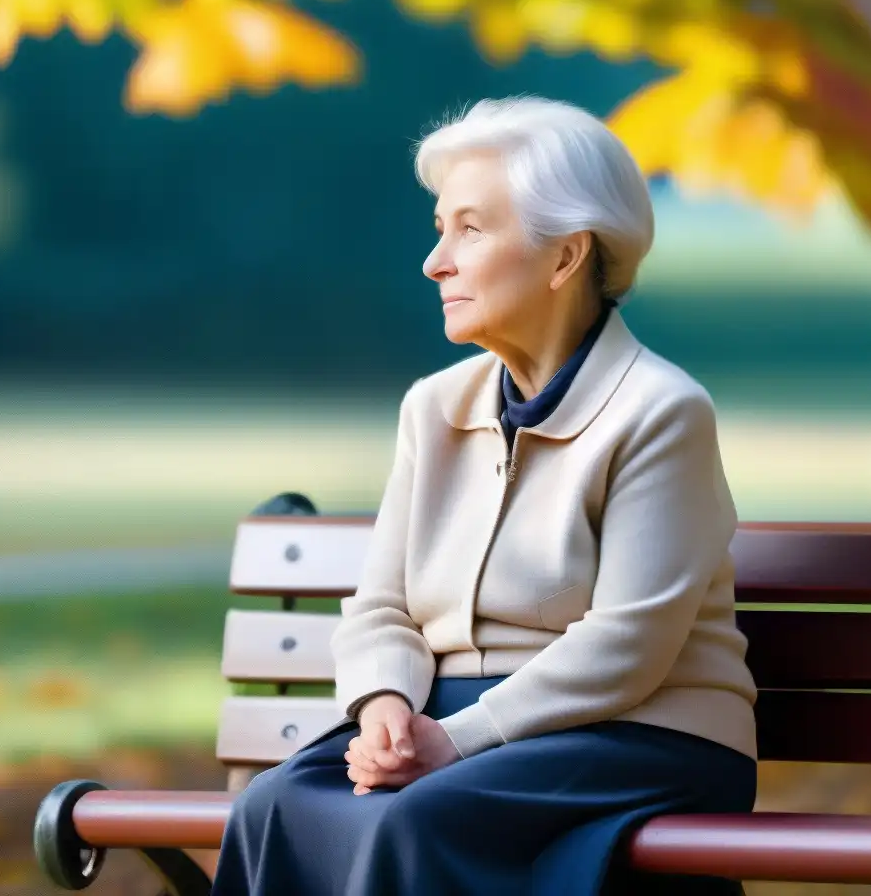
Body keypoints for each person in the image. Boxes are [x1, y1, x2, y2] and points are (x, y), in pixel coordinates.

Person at [212, 96, 758, 896]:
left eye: (469, 230)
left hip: (640, 734)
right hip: (449, 723)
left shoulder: (661, 411)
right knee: (274, 804)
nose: (437, 261)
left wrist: (455, 741)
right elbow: (381, 606)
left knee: (413, 820)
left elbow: (628, 647)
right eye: (442, 229)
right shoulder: (432, 407)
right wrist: (384, 708)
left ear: (565, 256)